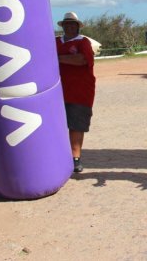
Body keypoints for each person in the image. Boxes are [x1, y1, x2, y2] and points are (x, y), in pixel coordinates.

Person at [55, 12, 96, 173]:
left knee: (76, 126)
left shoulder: (83, 42)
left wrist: (57, 58)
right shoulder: (55, 42)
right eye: (67, 24)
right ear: (63, 26)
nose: (69, 27)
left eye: (72, 24)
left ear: (78, 26)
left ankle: (75, 158)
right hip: (57, 92)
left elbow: (82, 59)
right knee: (56, 126)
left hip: (80, 92)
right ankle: (58, 157)